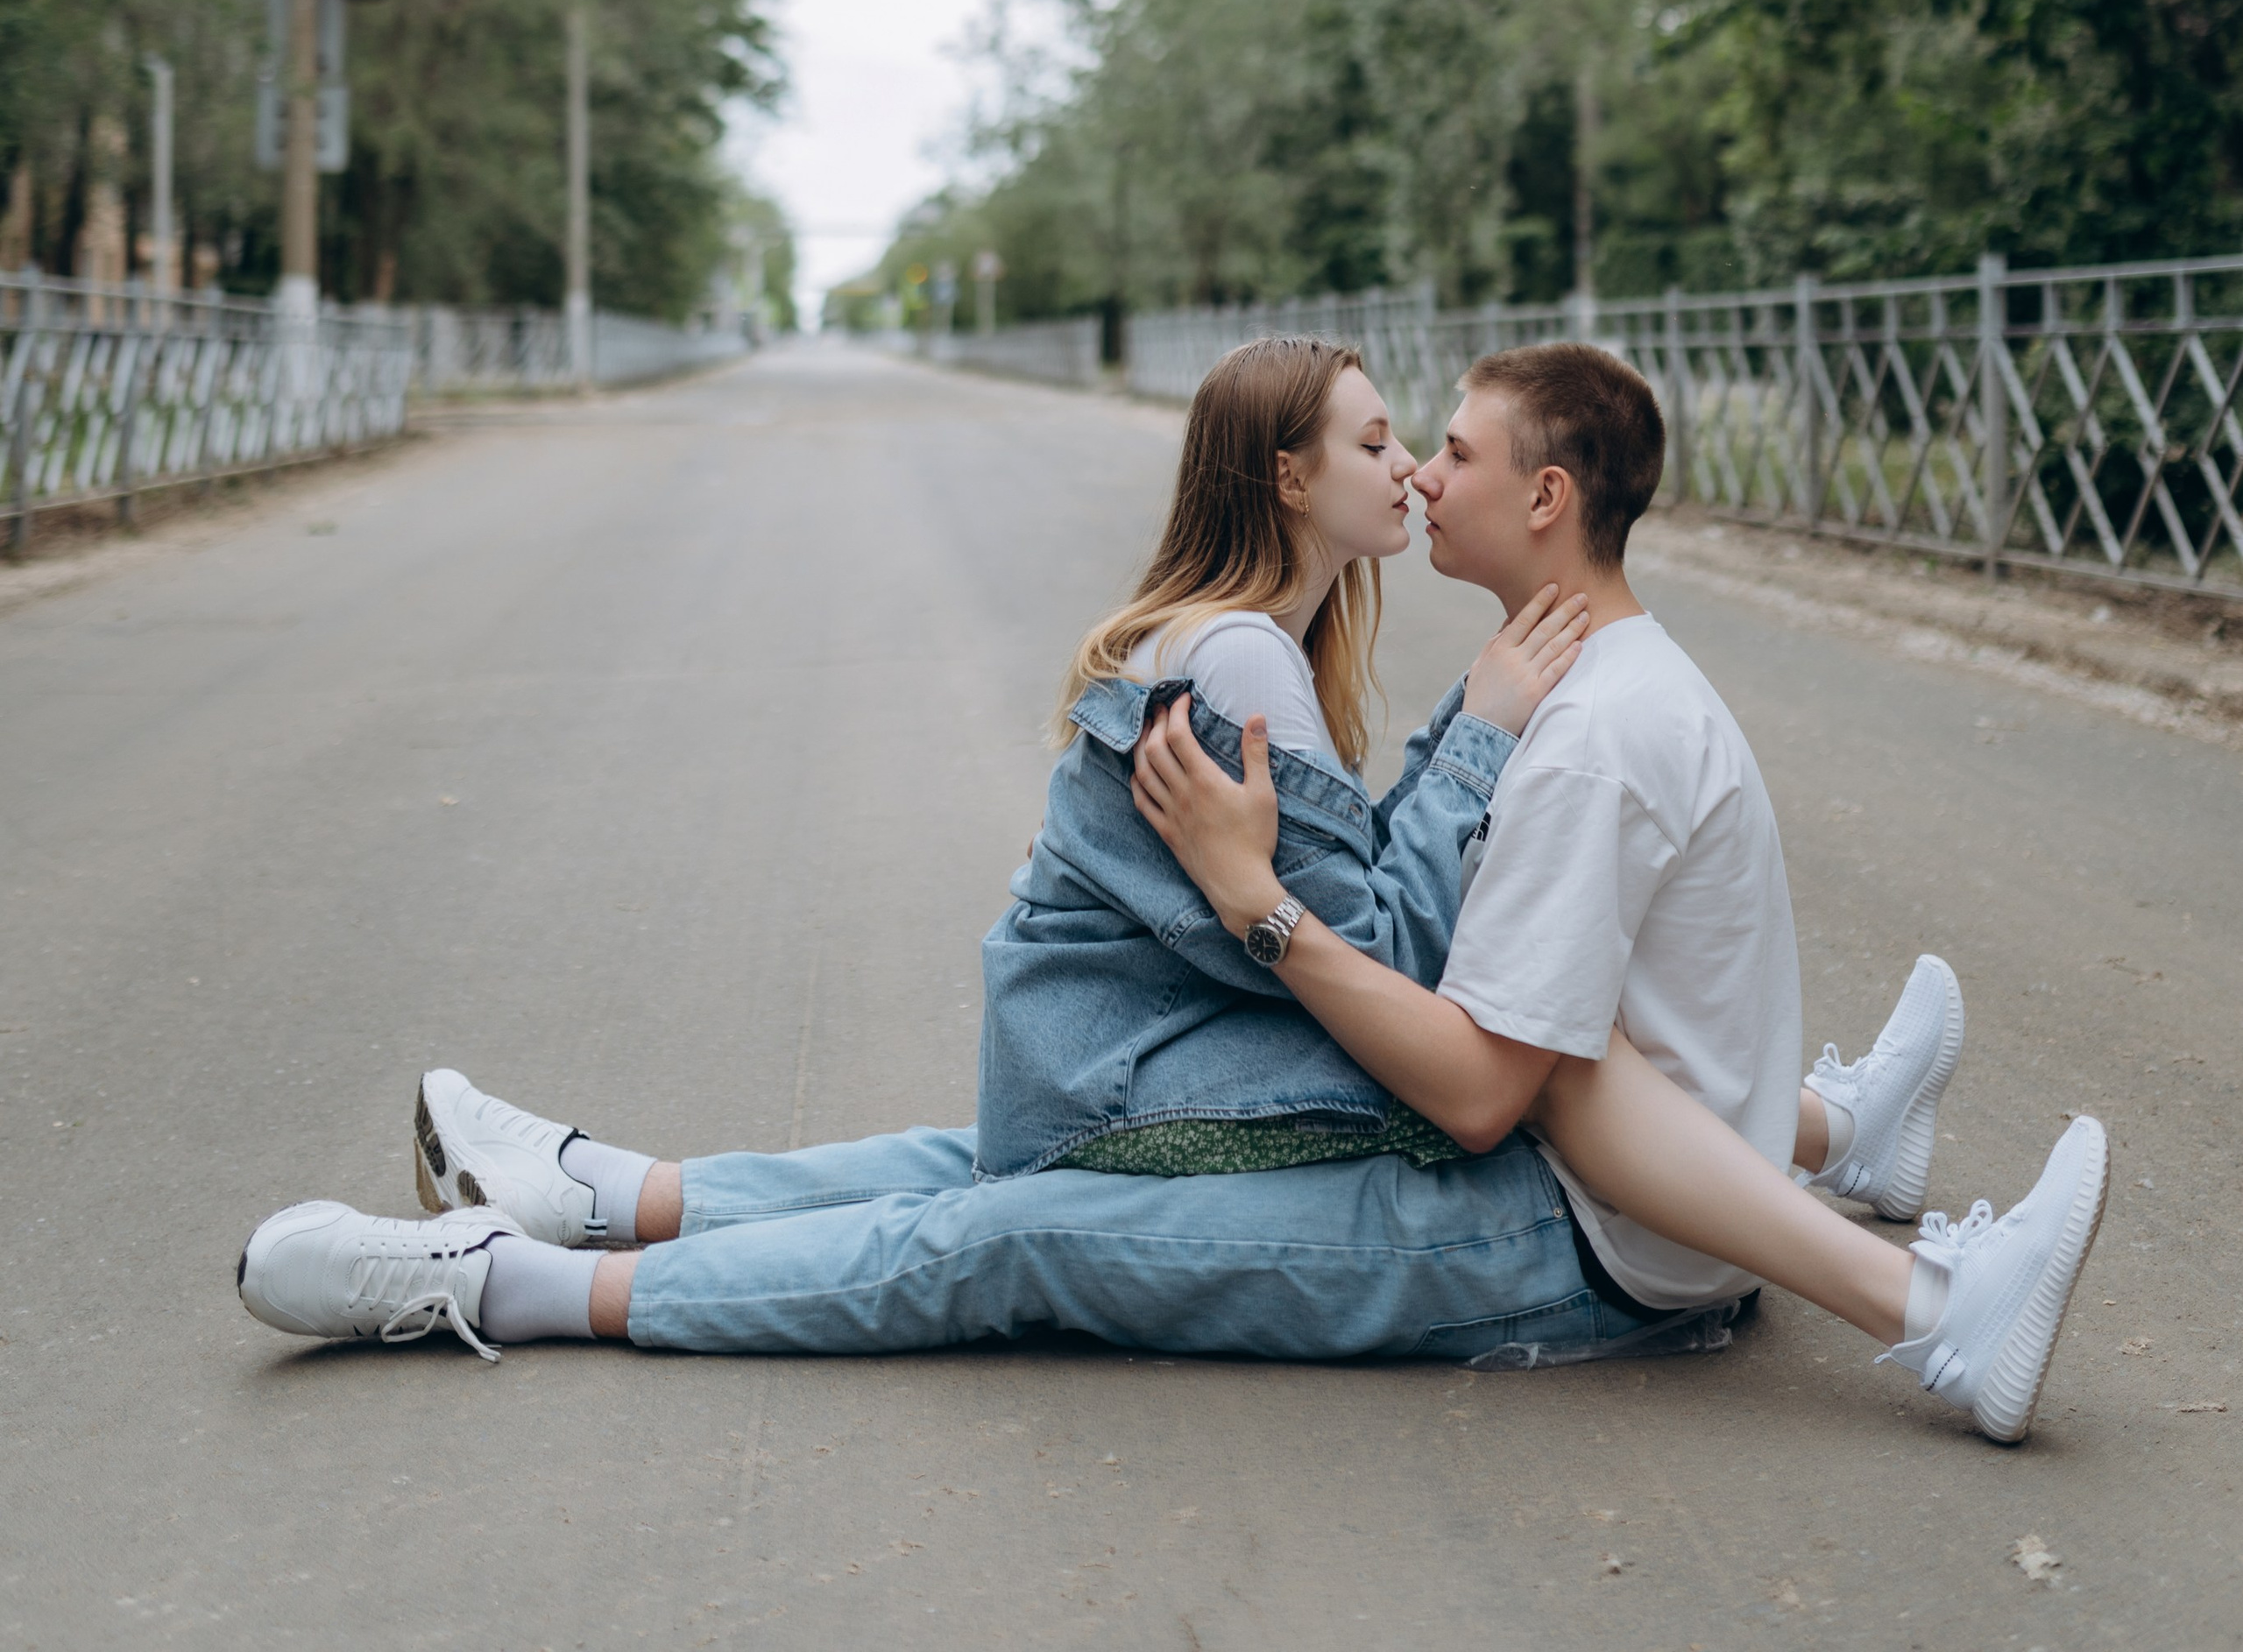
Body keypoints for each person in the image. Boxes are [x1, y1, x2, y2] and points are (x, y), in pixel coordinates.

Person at [236, 345, 2108, 1444]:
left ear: (1541, 508)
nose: (1415, 468)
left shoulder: (1556, 708)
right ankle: (575, 1209)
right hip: (1403, 1138)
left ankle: (516, 1275)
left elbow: (1457, 1035)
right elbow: (1447, 975)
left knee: (991, 1229)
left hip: (1542, 1221)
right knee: (984, 1194)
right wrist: (1366, 814)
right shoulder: (1367, 676)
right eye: (1393, 441)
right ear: (1290, 477)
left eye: (1436, 446)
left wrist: (1285, 878)